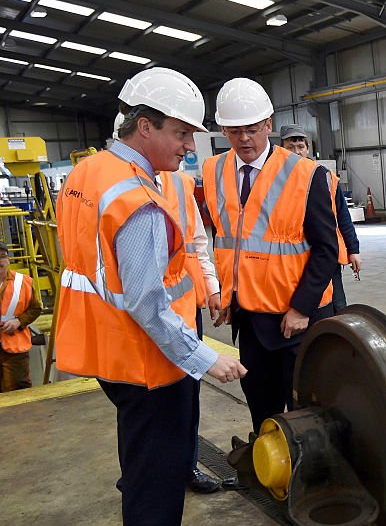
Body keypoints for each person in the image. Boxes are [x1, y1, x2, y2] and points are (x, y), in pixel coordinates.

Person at [55, 67, 246, 526]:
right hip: (146, 360)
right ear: (143, 126)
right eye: (181, 134)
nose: (189, 148)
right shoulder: (136, 199)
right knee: (156, 478)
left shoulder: (89, 173)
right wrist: (204, 357)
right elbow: (145, 302)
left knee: (141, 465)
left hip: (107, 351)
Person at [204, 80, 338, 437]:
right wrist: (227, 294)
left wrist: (302, 308)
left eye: (251, 129)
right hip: (249, 318)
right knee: (260, 402)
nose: (244, 139)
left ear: (268, 125)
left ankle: (305, 477)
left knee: (304, 408)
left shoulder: (306, 174)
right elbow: (226, 239)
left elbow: (327, 250)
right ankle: (267, 464)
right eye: (234, 131)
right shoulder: (214, 171)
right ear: (222, 130)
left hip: (295, 318)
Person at [113, 111, 225, 494]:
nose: (187, 146)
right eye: (180, 135)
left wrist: (210, 286)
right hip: (143, 317)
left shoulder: (178, 182)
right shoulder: (122, 186)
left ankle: (186, 466)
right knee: (142, 408)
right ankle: (140, 473)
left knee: (184, 400)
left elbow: (196, 241)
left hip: (182, 308)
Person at [279, 123, 362, 313]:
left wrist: (353, 249)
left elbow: (342, 216)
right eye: (290, 147)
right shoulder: (274, 180)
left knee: (337, 305)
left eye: (301, 147)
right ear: (280, 150)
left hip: (325, 255)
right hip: (290, 260)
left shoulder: (324, 177)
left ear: (308, 149)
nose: (296, 152)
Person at [0, 241, 42, 391]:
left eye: (3, 257)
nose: (0, 261)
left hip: (14, 348)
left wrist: (19, 322)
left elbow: (36, 308)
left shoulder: (22, 282)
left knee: (18, 390)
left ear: (8, 259)